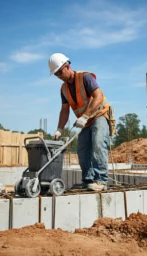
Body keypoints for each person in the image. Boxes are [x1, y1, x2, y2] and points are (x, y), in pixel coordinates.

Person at [47, 53, 114, 191]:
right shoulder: (64, 89)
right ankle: (88, 180)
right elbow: (65, 110)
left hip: (99, 114)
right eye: (56, 75)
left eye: (60, 72)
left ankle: (100, 180)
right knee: (82, 150)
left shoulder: (85, 77)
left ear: (67, 66)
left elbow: (98, 96)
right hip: (86, 121)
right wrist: (59, 129)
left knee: (97, 144)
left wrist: (85, 116)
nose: (59, 76)